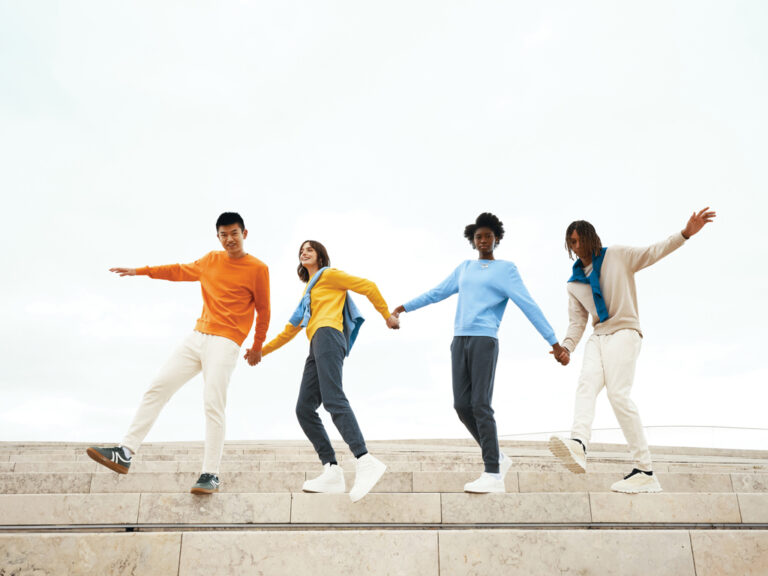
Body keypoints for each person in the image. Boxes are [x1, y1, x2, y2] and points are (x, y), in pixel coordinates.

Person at [86, 212, 270, 495]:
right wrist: (140, 271)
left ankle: (211, 473)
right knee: (157, 387)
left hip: (226, 341)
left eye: (234, 233)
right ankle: (125, 452)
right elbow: (178, 270)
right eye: (223, 235)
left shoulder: (258, 268)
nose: (229, 239)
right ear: (218, 237)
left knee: (212, 403)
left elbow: (263, 310)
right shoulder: (210, 259)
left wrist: (257, 346)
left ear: (244, 234)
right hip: (197, 337)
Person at [393, 212, 567, 494]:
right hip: (459, 340)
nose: (483, 240)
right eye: (478, 237)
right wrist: (404, 307)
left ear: (496, 238)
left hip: (485, 339)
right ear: (472, 241)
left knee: (480, 404)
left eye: (488, 236)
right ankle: (497, 456)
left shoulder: (506, 270)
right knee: (462, 405)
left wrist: (554, 342)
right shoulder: (464, 268)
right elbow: (437, 292)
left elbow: (529, 305)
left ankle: (493, 473)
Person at [548, 207, 716, 493]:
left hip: (624, 331)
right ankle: (578, 443)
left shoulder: (618, 255)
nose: (576, 247)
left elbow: (653, 252)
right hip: (598, 336)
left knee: (618, 395)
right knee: (585, 385)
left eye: (578, 240)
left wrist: (685, 233)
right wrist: (566, 347)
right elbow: (577, 322)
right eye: (571, 243)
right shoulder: (574, 283)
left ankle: (645, 470)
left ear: (591, 238)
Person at [261, 240, 400, 502]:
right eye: (301, 250)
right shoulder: (307, 293)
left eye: (310, 249)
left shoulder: (329, 275)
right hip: (315, 343)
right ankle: (332, 470)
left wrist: (386, 316)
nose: (304, 252)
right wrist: (261, 351)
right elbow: (290, 329)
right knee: (304, 408)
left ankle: (364, 459)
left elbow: (368, 286)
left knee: (333, 399)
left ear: (321, 257)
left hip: (328, 335)